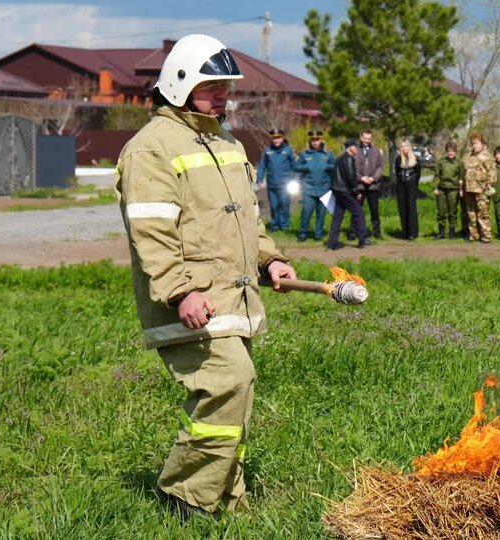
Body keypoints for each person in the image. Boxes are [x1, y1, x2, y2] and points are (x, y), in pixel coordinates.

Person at [114, 34, 296, 521]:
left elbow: (246, 220)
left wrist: (269, 260)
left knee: (239, 393)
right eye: (211, 85)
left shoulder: (227, 142)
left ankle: (225, 499)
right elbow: (151, 232)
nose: (222, 95)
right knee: (229, 382)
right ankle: (184, 497)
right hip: (191, 303)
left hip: (233, 300)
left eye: (224, 87)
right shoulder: (150, 149)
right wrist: (181, 292)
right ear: (179, 83)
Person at [293, 129, 336, 242]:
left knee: (321, 214)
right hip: (309, 189)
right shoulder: (304, 154)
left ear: (321, 140)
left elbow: (335, 166)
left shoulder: (328, 154)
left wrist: (327, 167)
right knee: (306, 212)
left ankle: (318, 234)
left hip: (324, 189)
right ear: (310, 141)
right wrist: (306, 167)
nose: (315, 142)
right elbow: (296, 167)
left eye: (317, 139)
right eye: (313, 140)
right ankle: (303, 234)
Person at [329, 140, 371, 250]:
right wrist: (356, 192)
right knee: (358, 212)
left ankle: (332, 242)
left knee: (337, 216)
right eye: (356, 147)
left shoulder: (339, 159)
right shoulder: (348, 159)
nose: (357, 149)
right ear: (351, 148)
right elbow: (351, 178)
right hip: (345, 191)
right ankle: (363, 239)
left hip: (337, 190)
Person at [255, 128, 296, 231]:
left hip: (285, 184)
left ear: (282, 138)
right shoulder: (267, 151)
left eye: (278, 138)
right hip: (272, 184)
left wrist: (295, 179)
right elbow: (262, 166)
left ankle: (285, 226)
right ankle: (275, 226)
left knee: (284, 205)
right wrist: (259, 178)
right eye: (274, 138)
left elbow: (294, 166)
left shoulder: (288, 150)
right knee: (273, 206)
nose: (276, 140)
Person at [461, 133, 495, 243]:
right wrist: (461, 187)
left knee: (483, 214)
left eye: (476, 143)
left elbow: (492, 172)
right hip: (469, 189)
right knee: (471, 214)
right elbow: (464, 173)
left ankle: (485, 236)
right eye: (472, 144)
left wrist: (489, 184)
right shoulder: (468, 157)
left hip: (481, 189)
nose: (474, 146)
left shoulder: (487, 156)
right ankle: (473, 235)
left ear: (482, 144)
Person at [353, 130, 385, 239]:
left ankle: (376, 233)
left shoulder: (376, 151)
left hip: (373, 186)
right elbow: (351, 168)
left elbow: (380, 167)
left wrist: (373, 178)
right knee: (356, 209)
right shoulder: (354, 150)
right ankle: (353, 233)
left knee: (374, 210)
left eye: (369, 139)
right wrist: (361, 178)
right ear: (361, 137)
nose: (367, 141)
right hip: (359, 186)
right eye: (365, 138)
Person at [431, 141, 463, 240]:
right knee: (441, 212)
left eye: (453, 151)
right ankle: (441, 232)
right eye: (449, 151)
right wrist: (435, 188)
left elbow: (461, 178)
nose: (451, 153)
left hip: (453, 190)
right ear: (446, 151)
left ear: (455, 152)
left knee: (452, 212)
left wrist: (461, 189)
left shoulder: (459, 164)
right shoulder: (441, 162)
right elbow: (437, 176)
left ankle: (452, 232)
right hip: (442, 190)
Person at [393, 139, 422, 240]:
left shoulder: (416, 159)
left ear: (409, 147)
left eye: (406, 146)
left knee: (411, 207)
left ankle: (413, 233)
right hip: (401, 185)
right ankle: (405, 233)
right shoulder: (398, 159)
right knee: (402, 208)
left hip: (411, 185)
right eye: (402, 146)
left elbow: (418, 173)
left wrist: (415, 186)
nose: (404, 148)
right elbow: (397, 173)